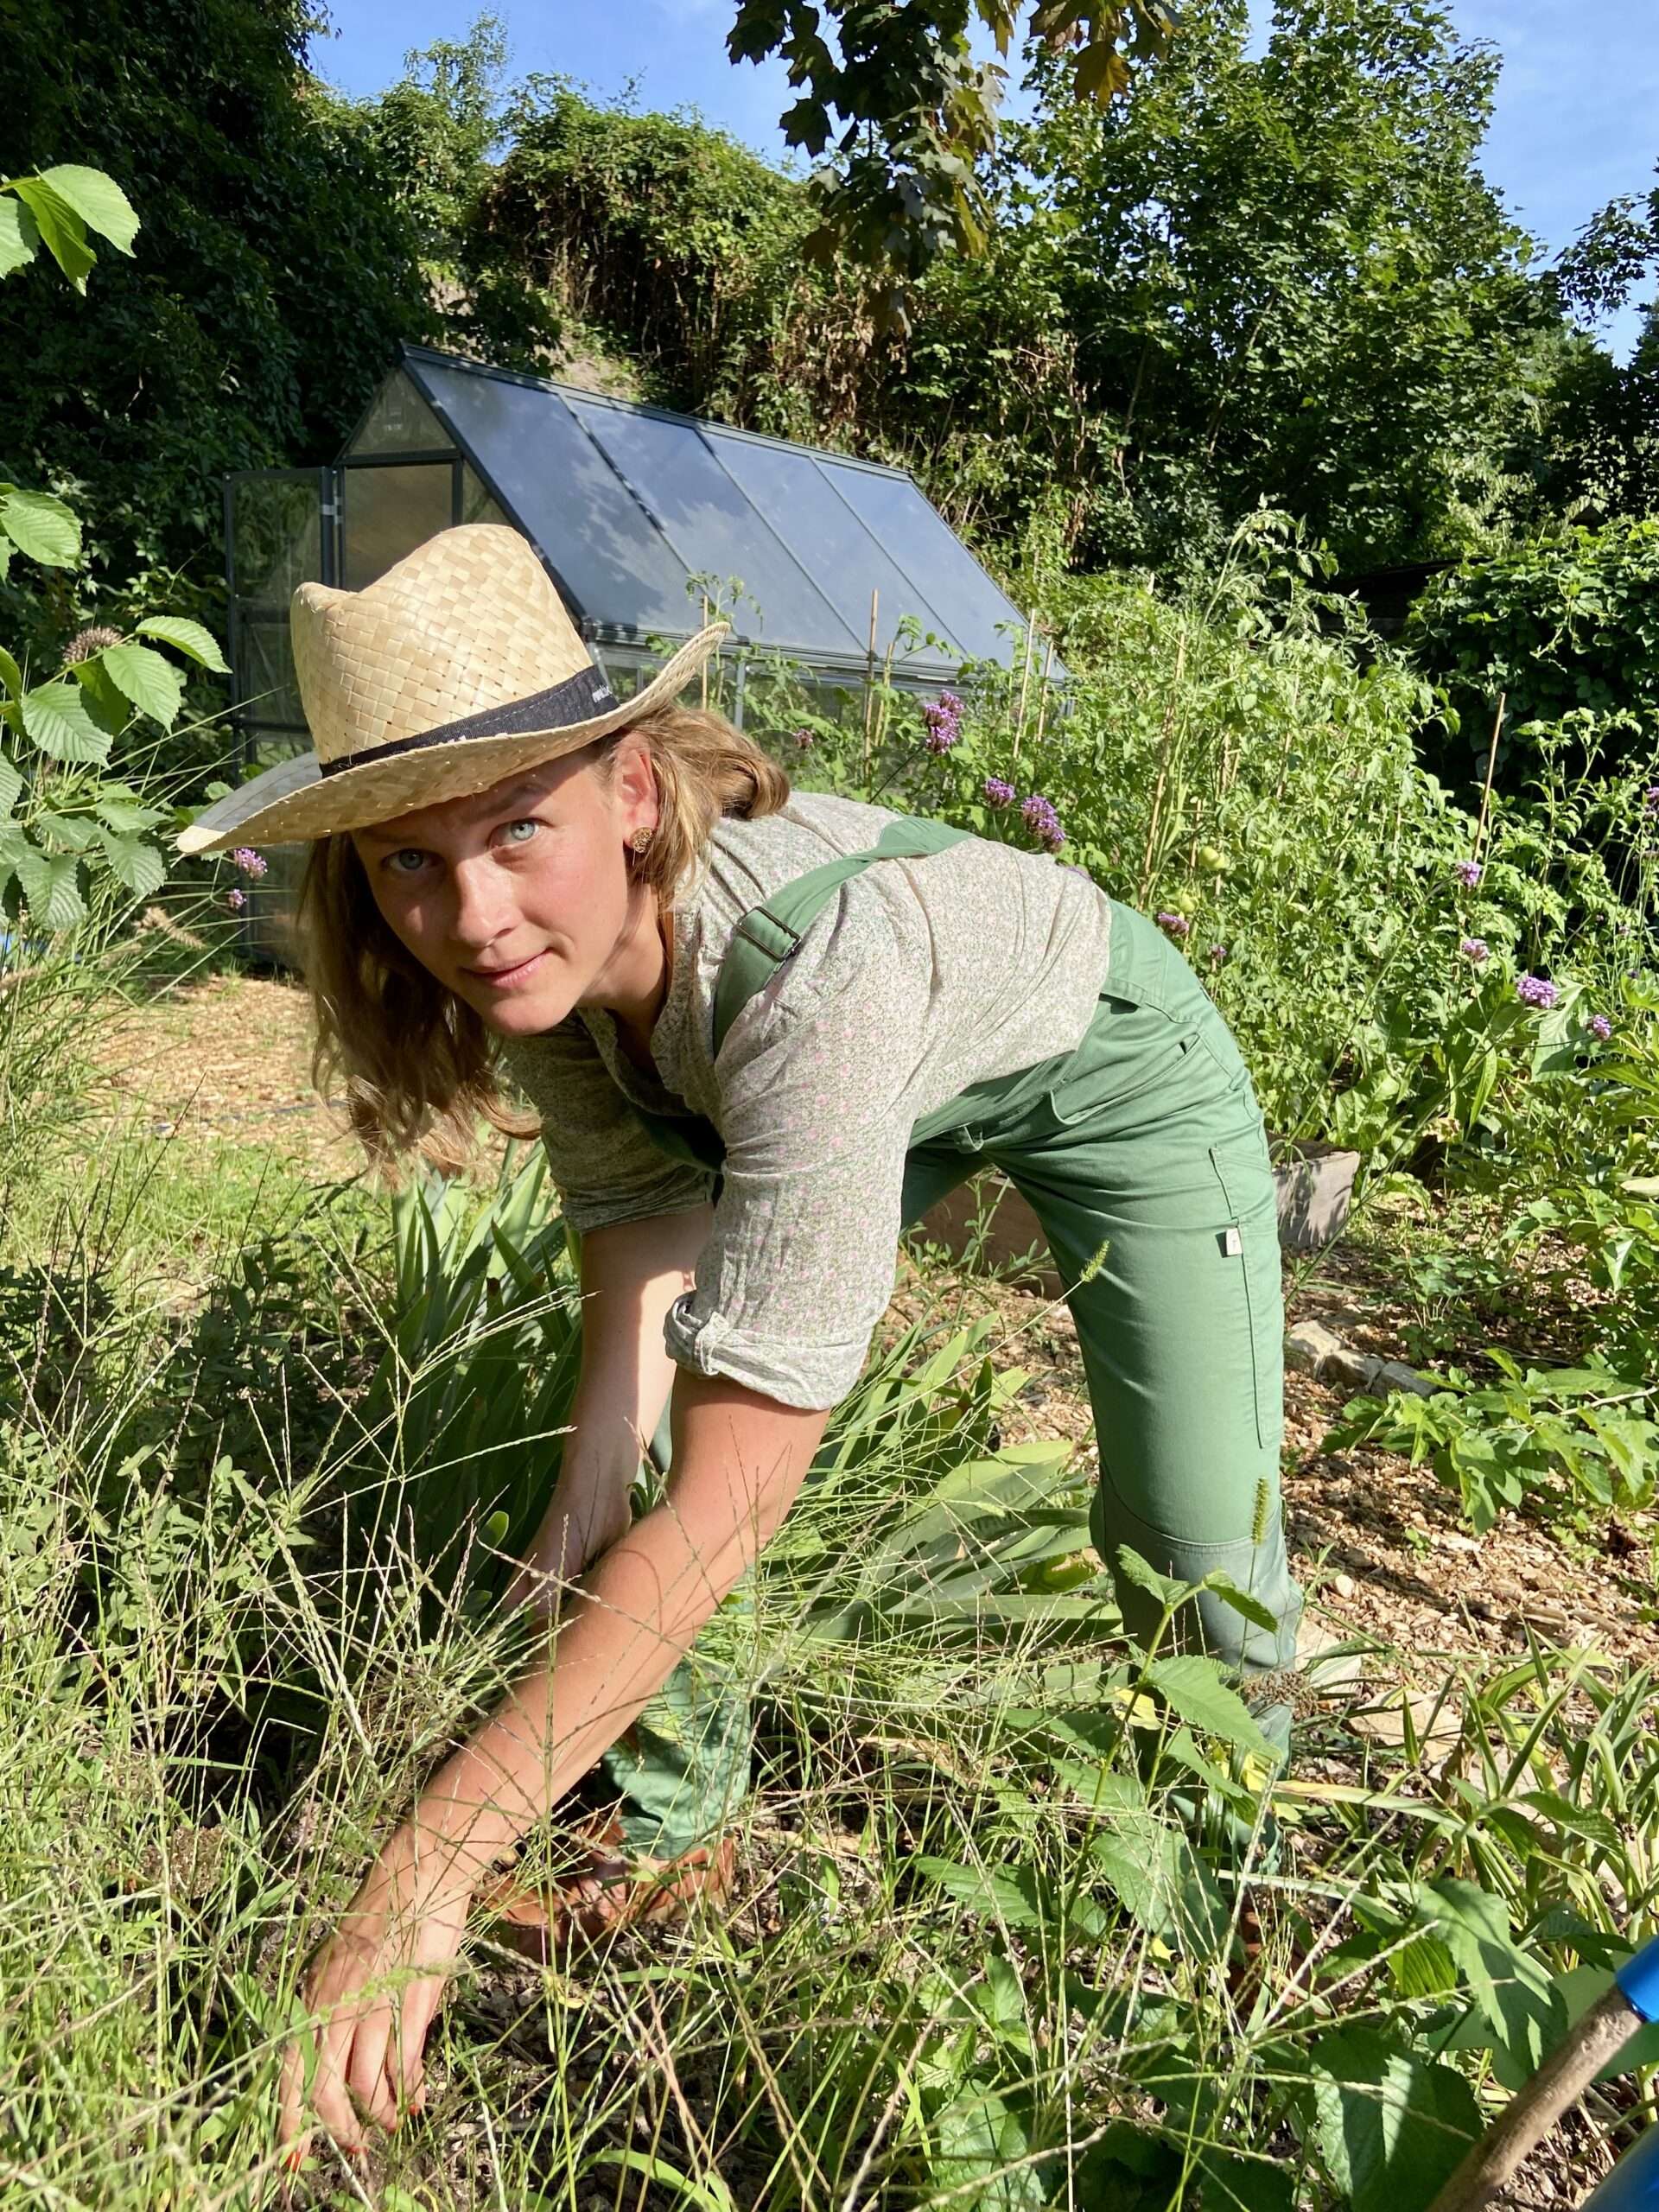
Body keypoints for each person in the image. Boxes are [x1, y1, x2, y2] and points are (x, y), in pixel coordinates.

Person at [180, 524, 1304, 2171]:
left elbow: (730, 1504)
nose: (470, 914)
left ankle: (1216, 1918)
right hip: (862, 1068)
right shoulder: (549, 975)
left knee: (1187, 1530)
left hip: (1107, 1059)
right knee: (637, 1502)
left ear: (632, 793)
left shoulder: (819, 983)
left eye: (516, 833)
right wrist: (576, 1512)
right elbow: (640, 1261)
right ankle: (670, 1846)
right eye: (411, 865)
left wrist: (430, 1860)